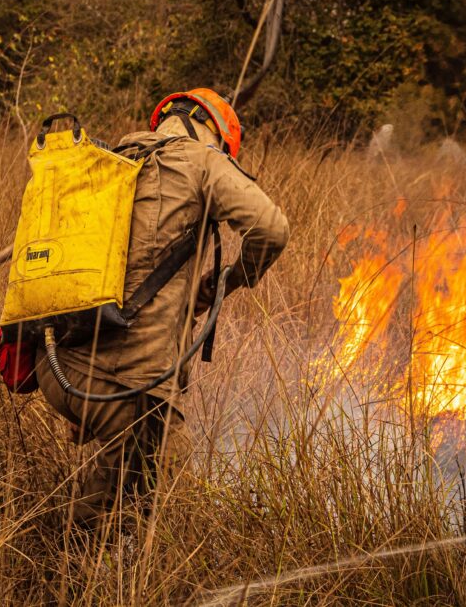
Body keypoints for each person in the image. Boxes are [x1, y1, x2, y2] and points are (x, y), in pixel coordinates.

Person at [33, 89, 289, 527]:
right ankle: (74, 562)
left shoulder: (112, 157)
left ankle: (84, 561)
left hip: (57, 367)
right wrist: (227, 281)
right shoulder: (205, 161)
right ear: (218, 136)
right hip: (136, 381)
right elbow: (270, 229)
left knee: (123, 477)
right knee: (173, 503)